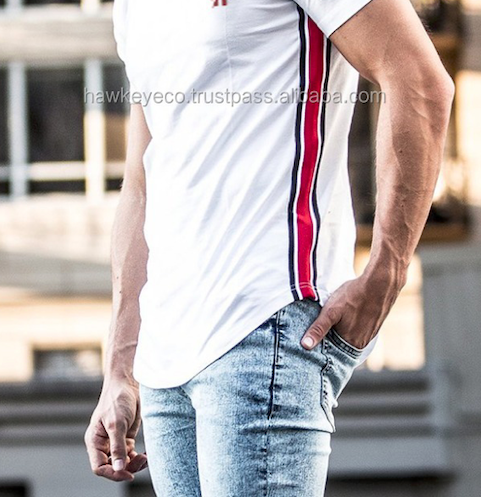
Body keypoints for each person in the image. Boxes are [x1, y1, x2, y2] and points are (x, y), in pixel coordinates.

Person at [84, 0, 454, 494]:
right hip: (164, 360)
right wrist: (120, 367)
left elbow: (419, 80)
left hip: (265, 323)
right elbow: (141, 182)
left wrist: (387, 273)